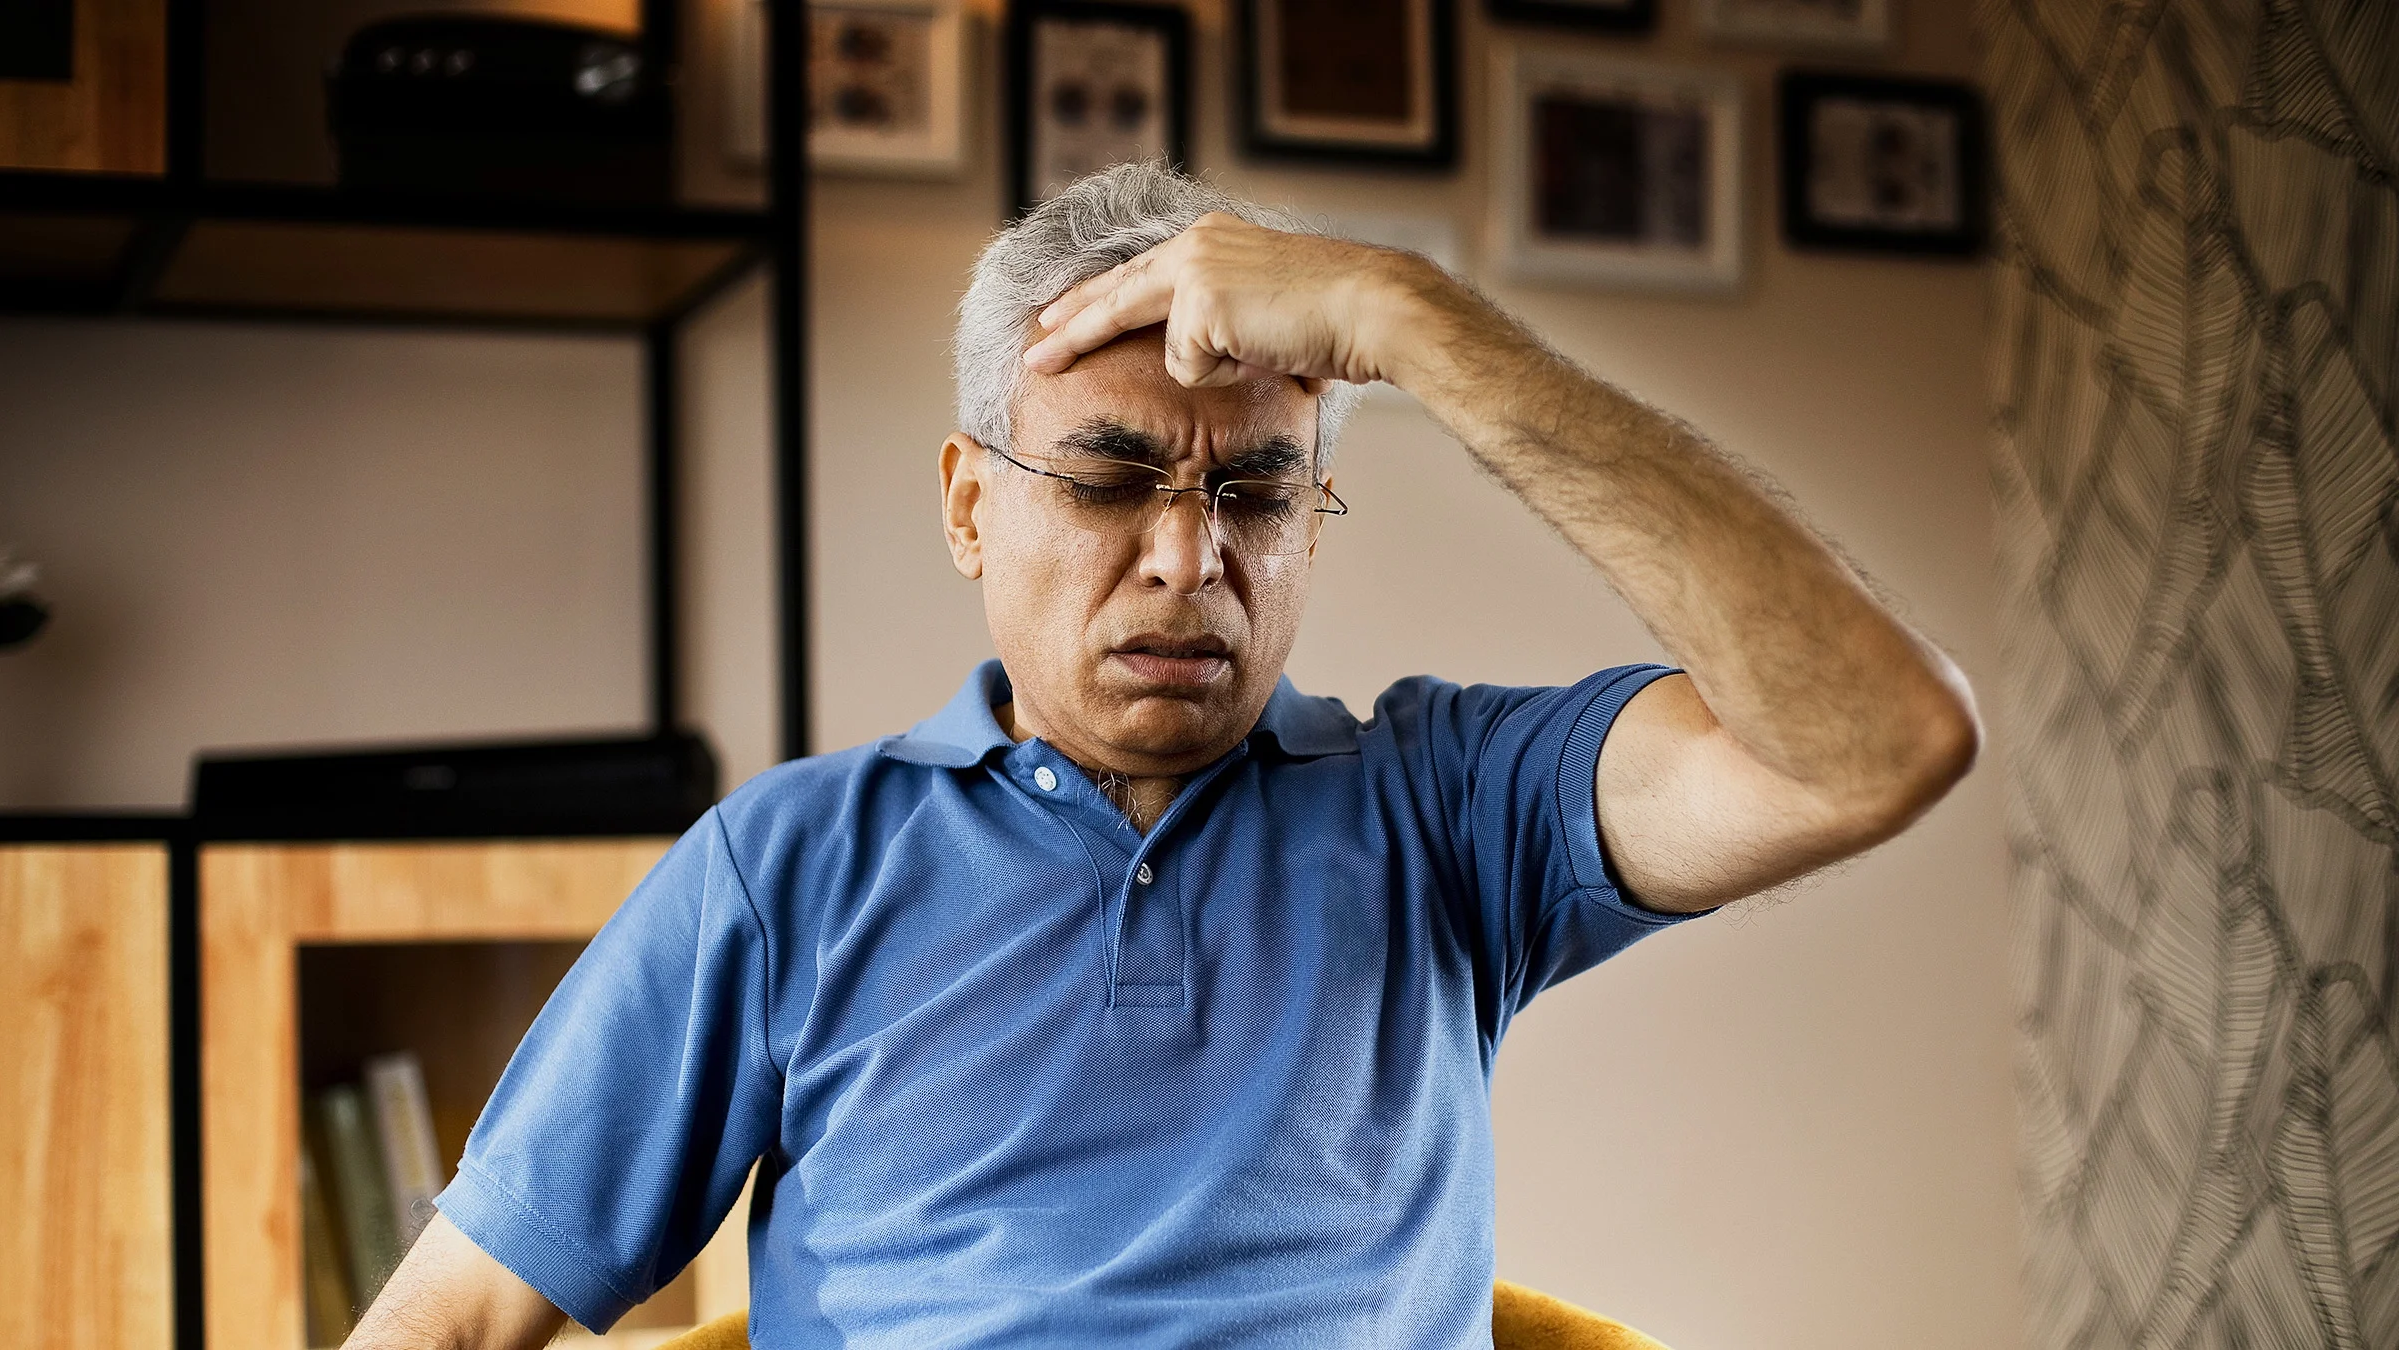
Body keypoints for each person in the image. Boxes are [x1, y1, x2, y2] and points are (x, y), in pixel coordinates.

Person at [343, 162, 1978, 1349]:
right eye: (1113, 478)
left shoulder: (1451, 805)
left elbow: (1874, 742)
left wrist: (1413, 322)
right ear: (972, 501)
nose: (1191, 559)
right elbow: (456, 1317)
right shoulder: (785, 872)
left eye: (1257, 490)